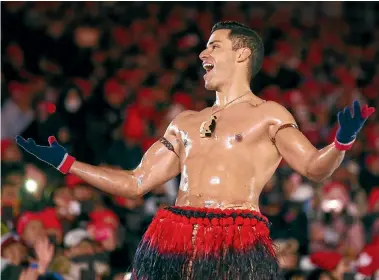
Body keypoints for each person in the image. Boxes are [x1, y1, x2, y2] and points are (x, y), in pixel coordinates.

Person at [15, 21, 375, 280]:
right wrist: (68, 163)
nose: (203, 53)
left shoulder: (268, 114)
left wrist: (341, 143)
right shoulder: (184, 122)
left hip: (234, 240)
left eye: (214, 46)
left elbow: (314, 167)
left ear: (242, 53)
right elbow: (135, 182)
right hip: (174, 235)